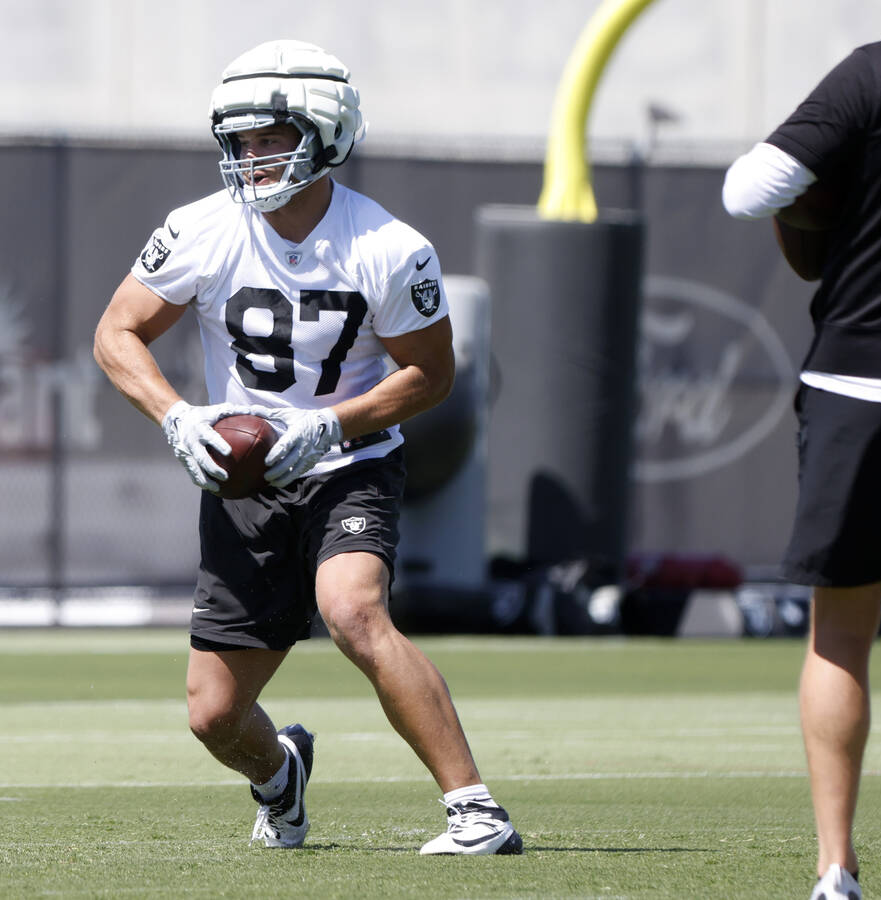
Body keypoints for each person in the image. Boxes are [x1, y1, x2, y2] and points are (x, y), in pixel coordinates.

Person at [93, 38, 521, 856]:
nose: (250, 158)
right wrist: (178, 417)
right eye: (239, 140)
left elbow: (431, 374)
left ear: (325, 136)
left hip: (348, 463)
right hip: (242, 479)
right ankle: (281, 774)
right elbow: (116, 333)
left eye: (268, 138)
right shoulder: (200, 229)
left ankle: (476, 810)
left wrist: (329, 423)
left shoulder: (388, 246)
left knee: (354, 611)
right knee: (214, 714)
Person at [722, 5, 881, 898]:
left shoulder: (879, 71)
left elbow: (750, 191)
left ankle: (836, 871)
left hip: (862, 385)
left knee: (842, 635)